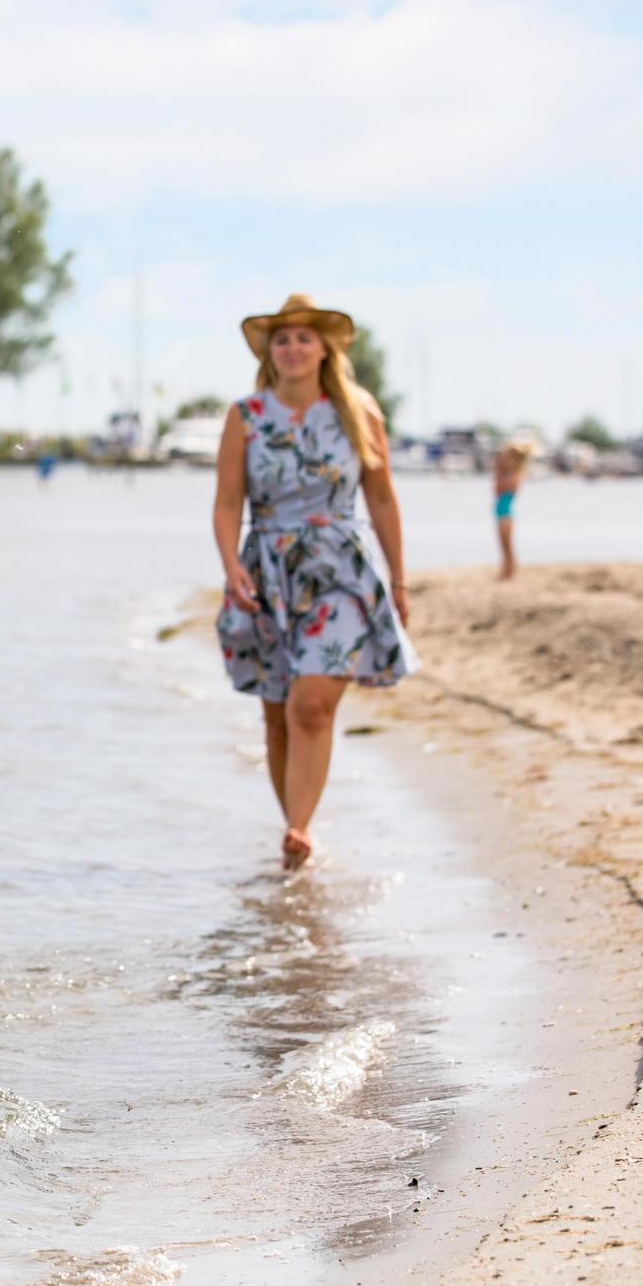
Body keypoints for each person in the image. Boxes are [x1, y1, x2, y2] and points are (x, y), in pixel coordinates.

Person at [212, 295, 418, 871]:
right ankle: (295, 833)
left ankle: (300, 826)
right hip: (268, 571)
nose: (294, 347)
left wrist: (399, 580)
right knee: (276, 711)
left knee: (309, 705)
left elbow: (381, 497)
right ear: (270, 352)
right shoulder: (246, 416)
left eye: (305, 337)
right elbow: (228, 503)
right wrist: (231, 565)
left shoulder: (358, 410)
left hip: (340, 569)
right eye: (283, 339)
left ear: (325, 348)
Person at [492, 438, 535, 580]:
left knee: (507, 546)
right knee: (503, 545)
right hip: (501, 512)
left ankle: (509, 571)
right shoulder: (508, 474)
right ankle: (506, 570)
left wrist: (500, 470)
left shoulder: (514, 475)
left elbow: (498, 488)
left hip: (506, 514)